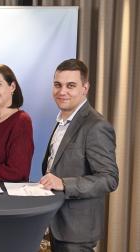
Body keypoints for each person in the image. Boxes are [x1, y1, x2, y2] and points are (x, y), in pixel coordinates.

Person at [39, 59, 119, 251]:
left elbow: (109, 179)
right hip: (58, 225)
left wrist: (64, 183)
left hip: (77, 232)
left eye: (70, 86)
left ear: (85, 88)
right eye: (57, 85)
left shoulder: (96, 126)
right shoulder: (61, 121)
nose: (62, 91)